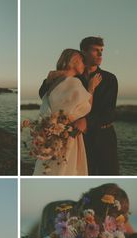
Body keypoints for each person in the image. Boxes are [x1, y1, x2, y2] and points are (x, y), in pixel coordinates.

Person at [39, 37, 119, 175]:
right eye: (95, 50)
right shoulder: (73, 77)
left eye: (102, 50)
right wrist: (50, 78)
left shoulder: (109, 79)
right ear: (84, 52)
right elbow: (44, 95)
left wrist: (87, 121)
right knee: (82, 172)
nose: (100, 55)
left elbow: (110, 113)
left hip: (103, 137)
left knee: (108, 173)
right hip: (78, 138)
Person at [33, 49, 102, 176]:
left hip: (52, 134)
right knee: (65, 168)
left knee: (50, 167)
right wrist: (91, 88)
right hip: (68, 136)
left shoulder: (53, 83)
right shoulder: (74, 83)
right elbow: (86, 108)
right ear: (74, 62)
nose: (84, 65)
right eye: (82, 61)